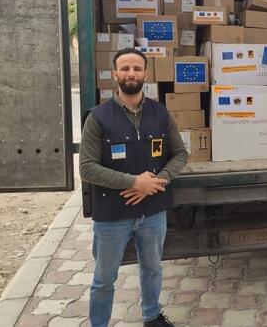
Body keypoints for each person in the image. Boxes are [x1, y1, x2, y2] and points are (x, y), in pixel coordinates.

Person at [79, 48, 188, 327]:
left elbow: (180, 155)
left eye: (136, 69)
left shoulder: (160, 113)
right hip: (112, 214)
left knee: (152, 269)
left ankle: (152, 316)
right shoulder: (98, 117)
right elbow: (87, 168)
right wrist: (133, 182)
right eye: (125, 69)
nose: (131, 74)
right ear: (115, 74)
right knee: (104, 278)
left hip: (153, 211)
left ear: (145, 74)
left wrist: (156, 181)